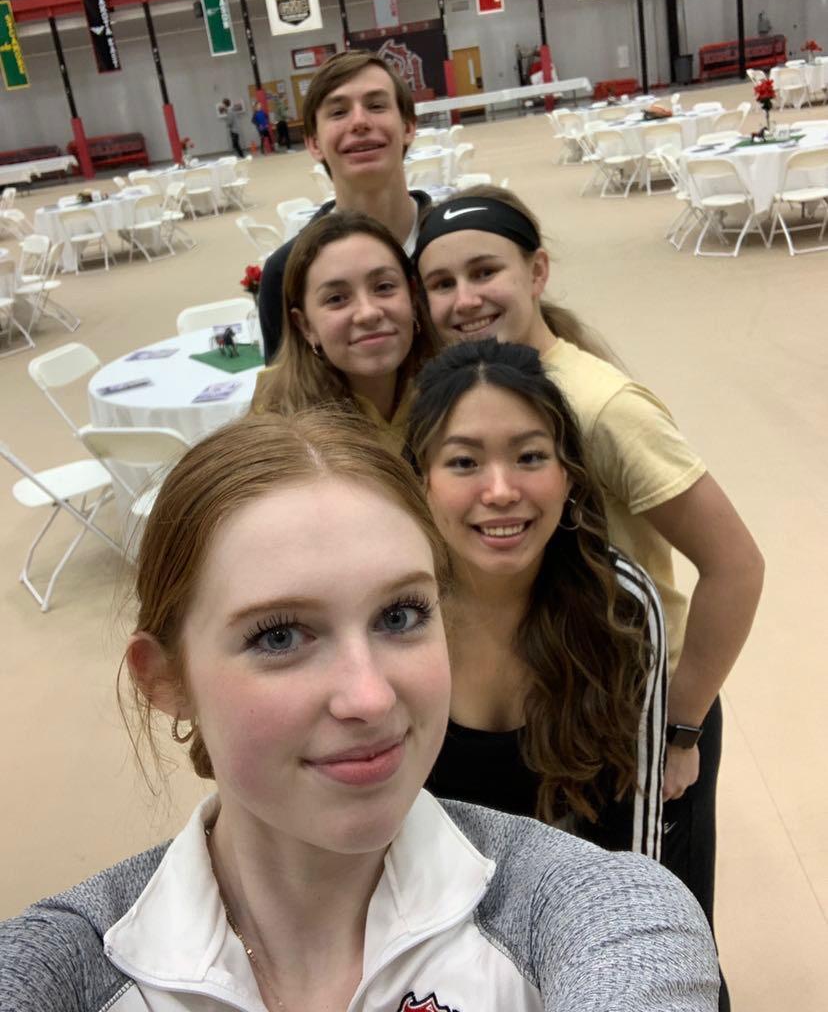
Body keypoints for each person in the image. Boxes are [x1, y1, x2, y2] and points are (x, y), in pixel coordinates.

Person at [0, 410, 720, 1010]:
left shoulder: (585, 913)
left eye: (400, 615)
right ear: (165, 679)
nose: (370, 697)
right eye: (280, 636)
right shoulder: (68, 969)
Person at [414, 185, 765, 1011]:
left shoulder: (600, 405)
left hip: (633, 693)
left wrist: (681, 726)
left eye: (485, 271)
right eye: (441, 282)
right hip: (540, 675)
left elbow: (736, 565)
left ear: (537, 271)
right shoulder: (474, 388)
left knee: (656, 912)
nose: (464, 299)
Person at [408, 339, 667, 858]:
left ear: (567, 474)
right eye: (464, 462)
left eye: (529, 457)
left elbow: (633, 843)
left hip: (570, 895)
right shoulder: (389, 613)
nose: (501, 491)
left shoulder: (620, 606)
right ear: (421, 481)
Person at [258, 50, 430, 362]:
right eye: (338, 112)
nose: (360, 122)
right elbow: (284, 389)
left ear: (408, 127)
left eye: (376, 106)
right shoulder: (285, 273)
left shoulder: (457, 244)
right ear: (314, 143)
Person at [252, 211, 438, 452]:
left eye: (384, 287)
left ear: (412, 298)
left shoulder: (454, 393)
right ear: (305, 326)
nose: (368, 313)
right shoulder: (275, 434)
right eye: (336, 299)